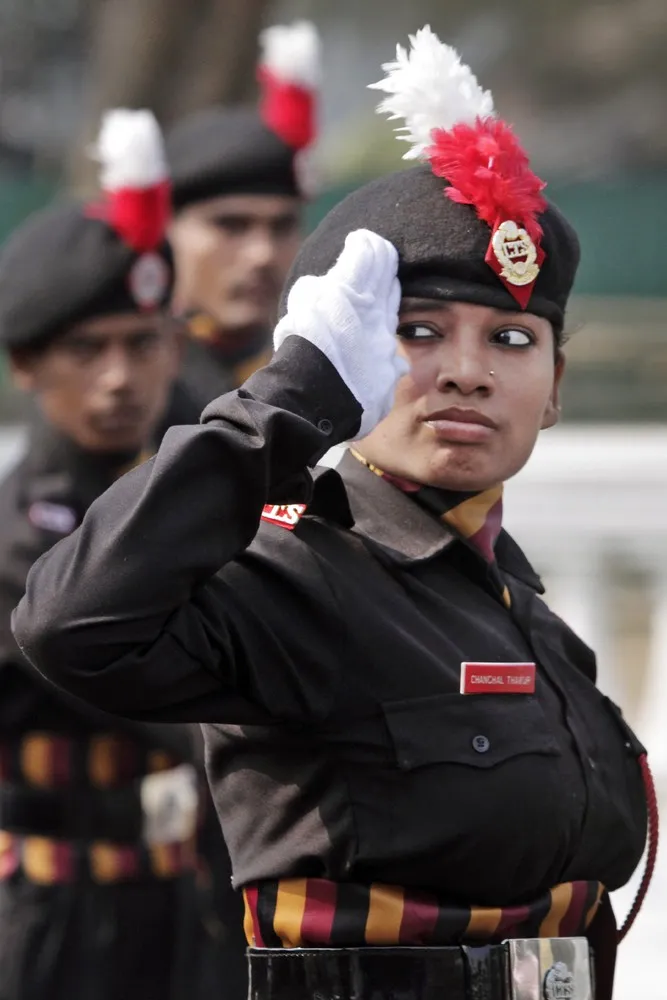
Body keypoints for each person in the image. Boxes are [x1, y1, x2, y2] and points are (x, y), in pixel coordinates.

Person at [12, 29, 657, 1000]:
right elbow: (71, 624)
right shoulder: (289, 570)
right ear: (343, 349)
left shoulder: (519, 606)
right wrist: (288, 403)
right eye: (417, 331)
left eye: (512, 338)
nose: (467, 370)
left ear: (555, 384)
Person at [0, 110, 206, 1000]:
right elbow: (181, 704)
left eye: (141, 344)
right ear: (27, 366)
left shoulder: (183, 504)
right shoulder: (20, 540)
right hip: (41, 917)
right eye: (87, 350)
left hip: (179, 901)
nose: (120, 378)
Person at [165, 20, 320, 407]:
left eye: (282, 226)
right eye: (231, 225)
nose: (262, 254)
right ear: (167, 231)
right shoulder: (129, 396)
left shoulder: (321, 378)